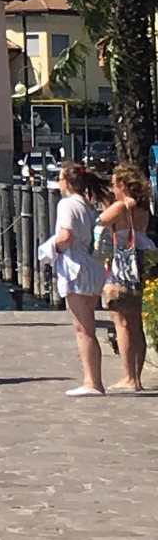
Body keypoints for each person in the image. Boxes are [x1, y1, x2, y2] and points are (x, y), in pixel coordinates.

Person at [46, 161, 109, 395]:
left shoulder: (67, 204)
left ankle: (92, 381)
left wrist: (50, 248)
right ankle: (93, 379)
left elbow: (65, 235)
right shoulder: (89, 206)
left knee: (83, 327)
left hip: (76, 268)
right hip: (92, 267)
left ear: (68, 183)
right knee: (88, 323)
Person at [98, 166, 151, 394]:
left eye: (114, 183)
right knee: (137, 324)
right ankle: (137, 376)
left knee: (122, 323)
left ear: (122, 185)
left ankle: (129, 376)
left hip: (123, 267)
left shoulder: (121, 206)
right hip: (141, 263)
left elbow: (101, 221)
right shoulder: (142, 208)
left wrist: (106, 203)